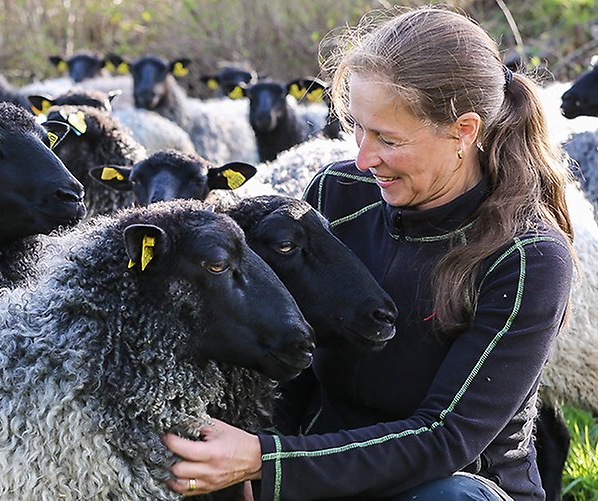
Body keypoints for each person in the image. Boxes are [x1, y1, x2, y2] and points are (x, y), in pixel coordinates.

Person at [163, 6, 576, 500]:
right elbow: (283, 351)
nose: (363, 157)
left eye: (389, 139)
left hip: (443, 483)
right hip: (315, 468)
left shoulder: (527, 256)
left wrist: (266, 461)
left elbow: (448, 437)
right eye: (357, 127)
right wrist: (259, 459)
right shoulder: (337, 194)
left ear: (464, 130)